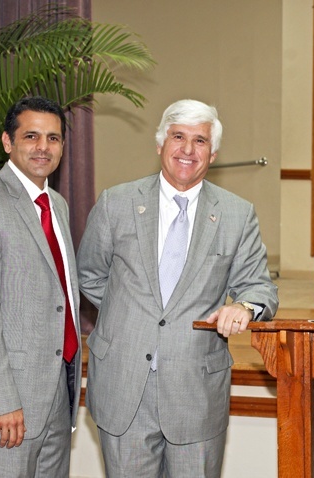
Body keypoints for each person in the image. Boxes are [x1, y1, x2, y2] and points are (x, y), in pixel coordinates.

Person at [77, 99, 279, 477]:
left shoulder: (237, 214)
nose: (187, 150)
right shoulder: (116, 203)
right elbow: (89, 274)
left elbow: (259, 287)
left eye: (200, 141)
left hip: (195, 393)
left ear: (213, 153)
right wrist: (131, 315)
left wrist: (245, 308)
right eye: (178, 137)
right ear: (159, 145)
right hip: (123, 387)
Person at [0, 96, 82, 477]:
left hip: (57, 395)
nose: (43, 147)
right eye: (32, 136)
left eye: (53, 139)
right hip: (6, 407)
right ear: (8, 142)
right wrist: (1, 401)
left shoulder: (57, 204)